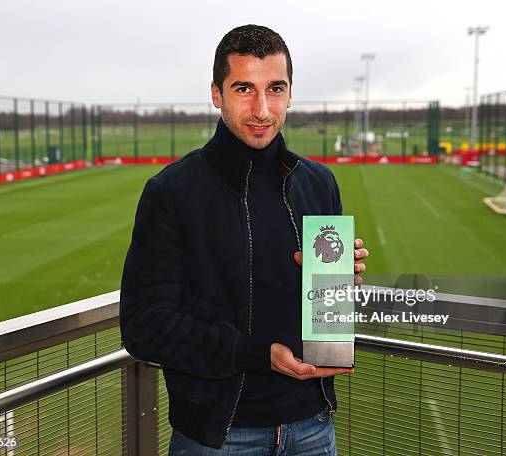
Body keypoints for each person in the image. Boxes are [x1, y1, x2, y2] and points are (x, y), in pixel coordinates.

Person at [120, 24, 368, 455]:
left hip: (311, 425)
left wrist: (341, 282)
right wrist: (257, 354)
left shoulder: (319, 183)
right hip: (219, 436)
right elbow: (144, 326)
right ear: (216, 94)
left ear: (290, 93)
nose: (262, 109)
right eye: (243, 89)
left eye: (275, 88)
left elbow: (326, 303)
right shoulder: (172, 192)